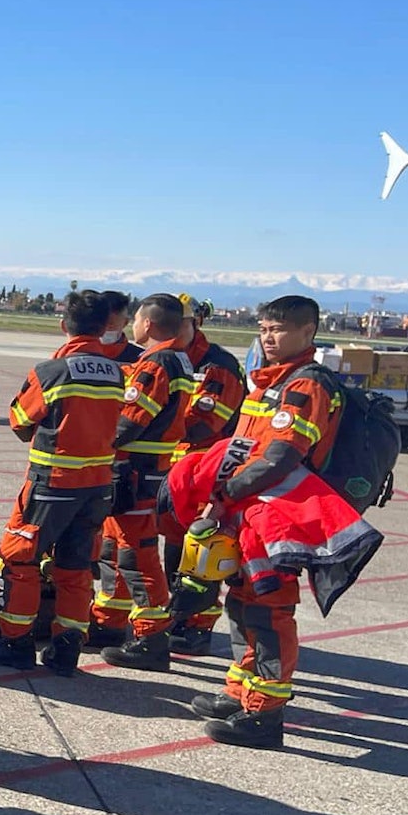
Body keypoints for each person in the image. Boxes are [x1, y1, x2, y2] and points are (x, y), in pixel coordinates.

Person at [189, 295, 344, 748]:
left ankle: (266, 714)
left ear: (307, 333)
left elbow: (279, 458)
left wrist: (223, 494)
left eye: (278, 328)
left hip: (277, 515)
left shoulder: (305, 386)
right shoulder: (268, 384)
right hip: (248, 513)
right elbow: (242, 449)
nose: (267, 336)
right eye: (263, 327)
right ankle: (242, 692)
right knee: (240, 601)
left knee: (270, 610)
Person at [0, 289, 127, 676]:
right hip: (98, 487)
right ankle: (67, 648)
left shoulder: (52, 372)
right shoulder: (117, 372)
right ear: (105, 326)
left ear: (64, 326)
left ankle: (17, 642)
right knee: (75, 567)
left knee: (19, 560)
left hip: (53, 484)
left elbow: (20, 422)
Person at [97, 294, 196, 671]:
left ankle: (152, 636)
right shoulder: (175, 360)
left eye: (136, 320)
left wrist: (94, 439)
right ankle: (111, 621)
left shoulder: (157, 364)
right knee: (114, 545)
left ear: (148, 324)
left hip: (137, 470)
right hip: (138, 469)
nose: (131, 326)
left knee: (136, 552)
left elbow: (131, 420)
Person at [162, 298, 247, 655]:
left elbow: (201, 426)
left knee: (201, 553)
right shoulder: (166, 358)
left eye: (177, 322)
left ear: (195, 322)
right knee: (174, 552)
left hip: (207, 476)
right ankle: (179, 616)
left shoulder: (217, 367)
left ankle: (196, 628)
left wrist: (152, 420)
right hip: (175, 474)